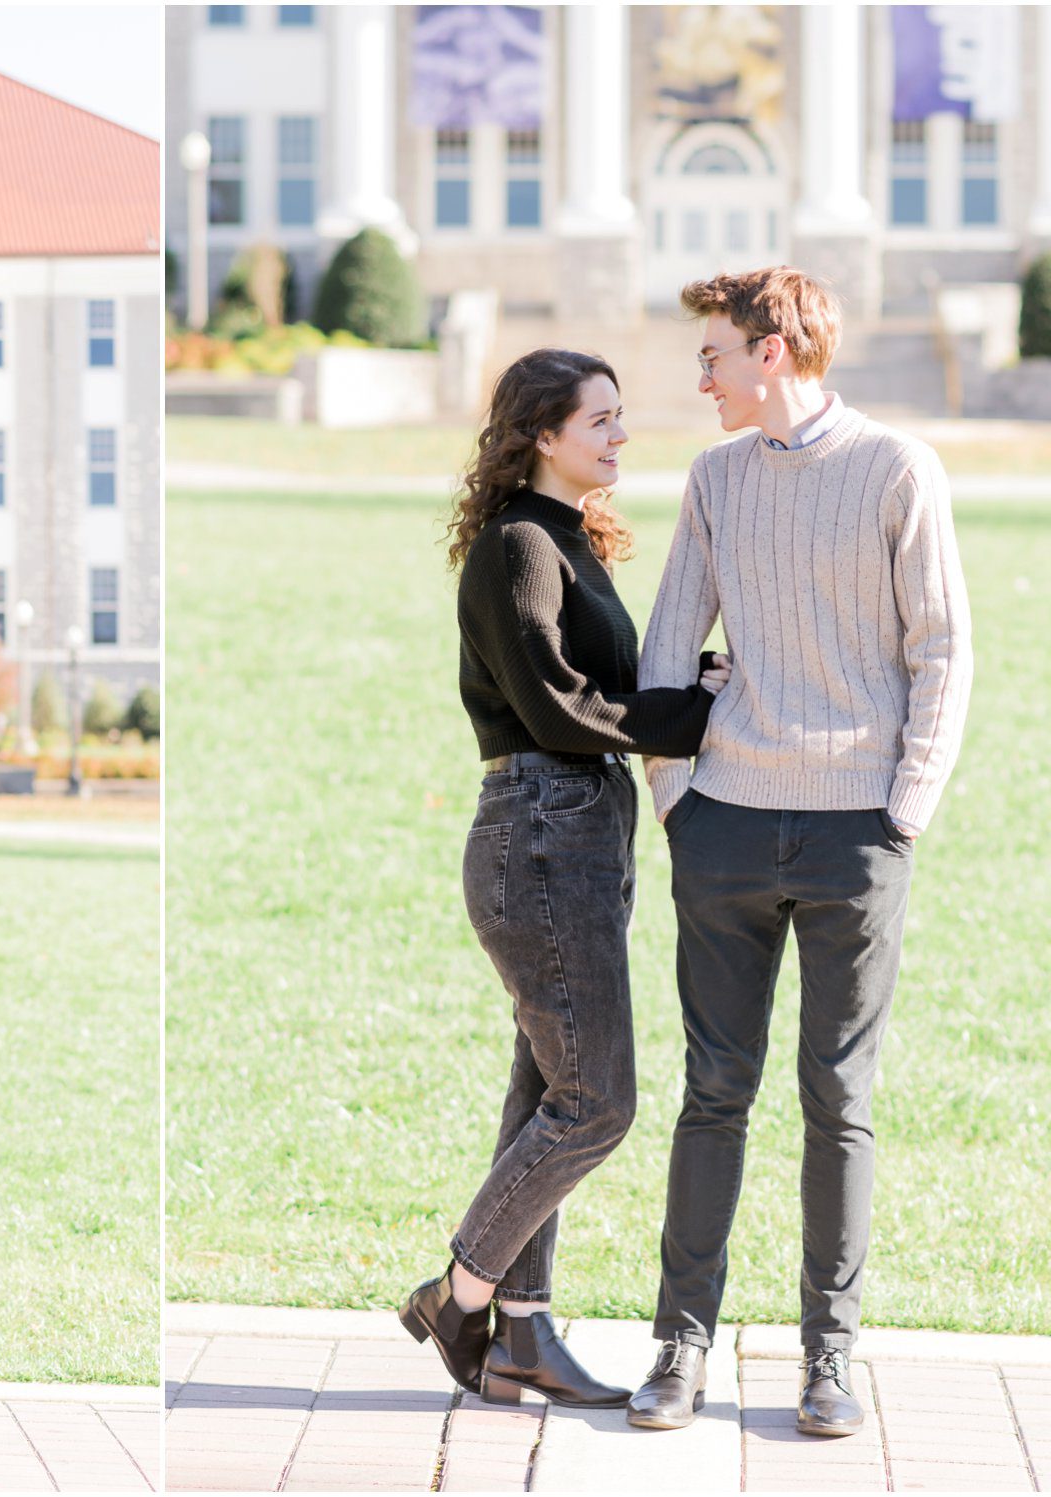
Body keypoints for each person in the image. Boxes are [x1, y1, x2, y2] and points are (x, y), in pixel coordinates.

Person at [628, 267, 971, 1436]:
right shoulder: (715, 478)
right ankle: (678, 1349)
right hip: (723, 825)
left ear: (770, 351)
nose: (702, 375)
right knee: (711, 1093)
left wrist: (903, 807)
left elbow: (940, 649)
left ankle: (827, 1362)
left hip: (855, 836)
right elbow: (669, 644)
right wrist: (676, 797)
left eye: (714, 354)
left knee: (838, 1101)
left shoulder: (893, 470)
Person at [400, 348, 730, 1408]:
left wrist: (704, 683)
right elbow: (555, 708)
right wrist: (691, 716)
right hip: (539, 826)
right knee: (596, 1100)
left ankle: (521, 1340)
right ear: (542, 432)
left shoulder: (569, 540)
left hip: (578, 827)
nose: (621, 437)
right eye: (602, 420)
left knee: (547, 1088)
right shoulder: (513, 548)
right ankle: (458, 1293)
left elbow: (610, 690)